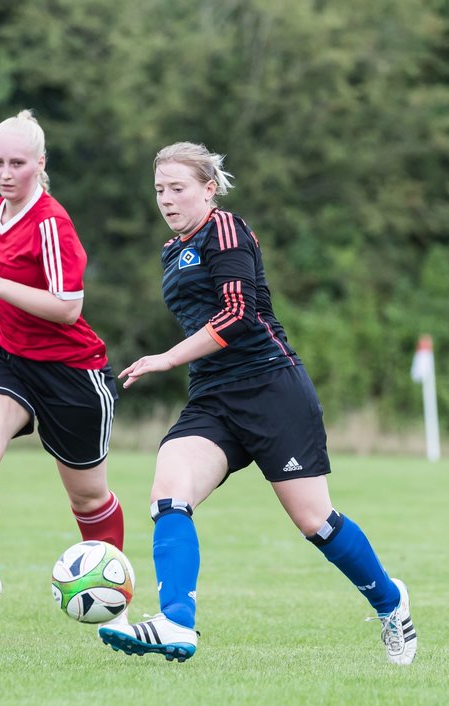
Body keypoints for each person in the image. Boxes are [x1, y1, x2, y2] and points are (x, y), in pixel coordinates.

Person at [98, 142, 417, 665]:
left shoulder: (226, 230)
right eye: (160, 190)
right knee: (168, 493)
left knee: (315, 521)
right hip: (214, 398)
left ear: (208, 188)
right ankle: (176, 621)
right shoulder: (170, 251)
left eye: (178, 188)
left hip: (271, 389)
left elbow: (238, 315)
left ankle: (390, 601)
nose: (167, 199)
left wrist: (166, 358)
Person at [0, 110, 124, 632]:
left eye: (17, 163)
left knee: (87, 497)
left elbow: (67, 306)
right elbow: (7, 289)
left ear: (40, 164)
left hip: (71, 371)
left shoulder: (51, 222)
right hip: (10, 360)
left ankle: (112, 594)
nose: (4, 172)